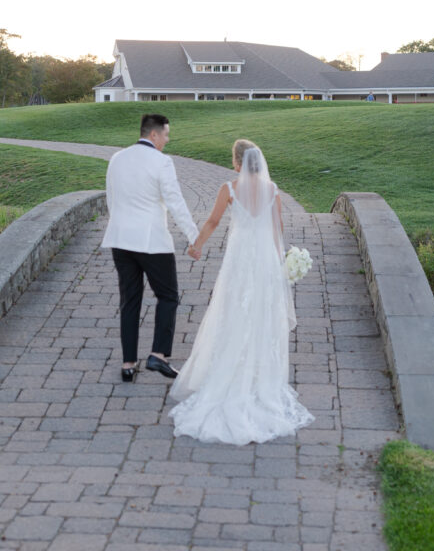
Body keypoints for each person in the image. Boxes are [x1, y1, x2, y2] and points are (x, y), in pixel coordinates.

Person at [168, 139, 313, 444]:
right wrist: (281, 265)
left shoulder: (229, 189)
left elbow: (212, 221)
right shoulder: (273, 192)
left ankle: (231, 371)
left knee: (232, 311)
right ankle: (259, 378)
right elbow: (278, 231)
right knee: (261, 315)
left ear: (237, 163)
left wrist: (197, 246)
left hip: (239, 259)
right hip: (263, 262)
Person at [102, 113, 199, 382]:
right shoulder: (162, 162)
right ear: (154, 134)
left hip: (120, 240)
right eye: (166, 135)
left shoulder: (117, 158)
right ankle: (159, 355)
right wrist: (194, 236)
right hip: (151, 241)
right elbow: (175, 202)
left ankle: (128, 364)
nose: (167, 140)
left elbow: (112, 197)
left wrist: (121, 224)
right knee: (168, 296)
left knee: (129, 300)